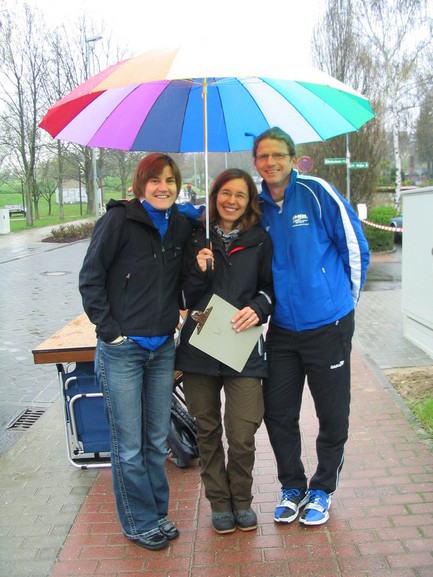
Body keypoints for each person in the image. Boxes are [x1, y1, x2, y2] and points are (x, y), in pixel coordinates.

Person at [253, 127, 370, 526]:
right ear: (256, 162)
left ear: (292, 158)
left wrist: (343, 305)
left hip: (328, 324)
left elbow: (354, 246)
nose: (270, 162)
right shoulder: (257, 206)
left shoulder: (317, 192)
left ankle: (322, 489)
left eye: (278, 155)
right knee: (277, 412)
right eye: (263, 156)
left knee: (332, 414)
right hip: (283, 328)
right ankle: (292, 487)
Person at [78, 153, 193, 551]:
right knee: (128, 446)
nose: (163, 187)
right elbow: (90, 279)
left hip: (162, 348)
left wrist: (204, 259)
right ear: (140, 185)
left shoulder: (180, 225)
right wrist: (111, 333)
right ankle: (138, 522)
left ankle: (157, 514)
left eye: (170, 180)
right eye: (155, 180)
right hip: (123, 351)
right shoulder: (118, 221)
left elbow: (184, 280)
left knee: (156, 442)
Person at [175, 168, 274, 534]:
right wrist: (199, 272)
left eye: (240, 195)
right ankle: (219, 502)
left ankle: (241, 499)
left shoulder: (260, 240)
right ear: (215, 194)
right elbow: (182, 297)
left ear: (250, 202)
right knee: (207, 430)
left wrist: (259, 308)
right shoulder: (194, 237)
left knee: (242, 432)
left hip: (242, 348)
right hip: (199, 350)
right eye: (225, 193)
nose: (232, 201)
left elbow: (270, 289)